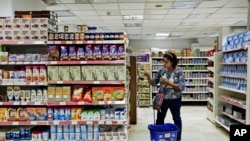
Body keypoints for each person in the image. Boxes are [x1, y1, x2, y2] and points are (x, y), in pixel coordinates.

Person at [144, 51, 185, 141]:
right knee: (160, 119)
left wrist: (169, 83)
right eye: (163, 61)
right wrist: (148, 77)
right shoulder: (161, 71)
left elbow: (181, 87)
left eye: (166, 62)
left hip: (175, 99)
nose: (164, 64)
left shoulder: (179, 71)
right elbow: (153, 83)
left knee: (177, 119)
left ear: (172, 62)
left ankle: (177, 138)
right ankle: (159, 137)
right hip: (162, 100)